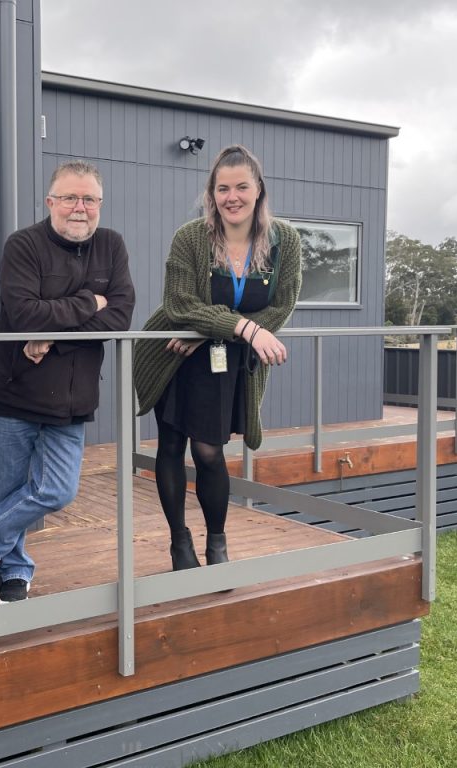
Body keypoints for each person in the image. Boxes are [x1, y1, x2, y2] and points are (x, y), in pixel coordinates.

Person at [0, 160, 135, 604]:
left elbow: (121, 314)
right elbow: (24, 313)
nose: (79, 207)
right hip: (15, 389)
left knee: (57, 489)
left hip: (74, 396)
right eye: (69, 197)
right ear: (50, 201)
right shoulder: (23, 245)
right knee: (9, 490)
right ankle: (14, 571)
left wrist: (54, 337)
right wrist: (89, 301)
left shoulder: (112, 246)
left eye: (89, 199)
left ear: (100, 204)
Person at [132, 144, 301, 571]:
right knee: (171, 444)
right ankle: (179, 541)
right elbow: (179, 305)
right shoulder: (191, 237)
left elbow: (280, 308)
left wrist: (211, 332)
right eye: (222, 188)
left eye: (242, 186)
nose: (232, 197)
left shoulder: (285, 240)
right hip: (172, 353)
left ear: (258, 190)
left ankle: (217, 543)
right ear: (211, 193)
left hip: (220, 359)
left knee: (209, 451)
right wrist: (243, 327)